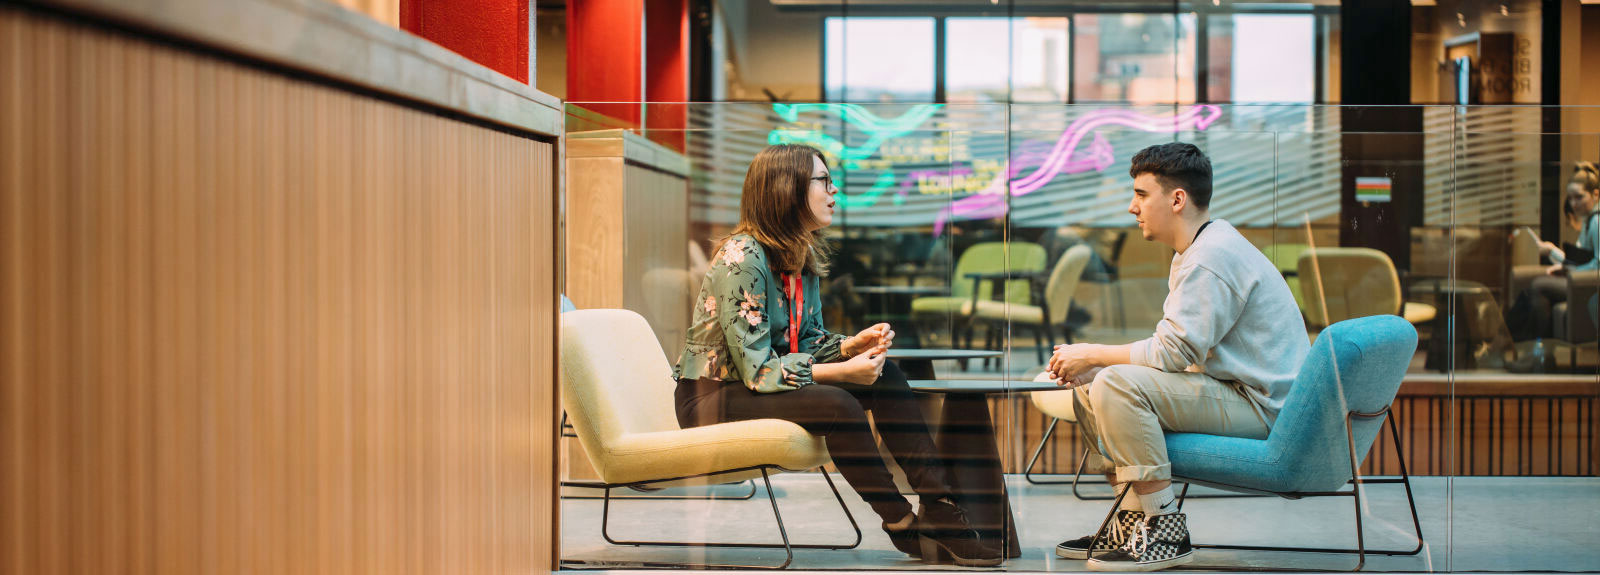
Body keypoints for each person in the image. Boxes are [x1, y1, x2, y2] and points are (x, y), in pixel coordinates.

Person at [671, 144, 1002, 566]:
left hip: (759, 387)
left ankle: (940, 507)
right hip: (711, 398)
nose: (834, 191)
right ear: (787, 188)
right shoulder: (741, 258)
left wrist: (848, 346)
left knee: (887, 376)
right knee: (840, 403)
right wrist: (842, 371)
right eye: (824, 181)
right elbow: (757, 370)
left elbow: (805, 340)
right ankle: (901, 522)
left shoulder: (796, 253)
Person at [1044, 143, 1309, 571]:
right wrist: (1096, 364)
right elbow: (1178, 351)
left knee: (1115, 382)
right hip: (1238, 392)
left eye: (1141, 194)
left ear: (1177, 199)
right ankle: (1129, 523)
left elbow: (1171, 352)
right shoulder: (1202, 248)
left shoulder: (1210, 257)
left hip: (1262, 407)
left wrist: (1094, 353)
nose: (1132, 207)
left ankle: (1167, 530)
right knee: (1097, 386)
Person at [1525, 162, 1600, 339]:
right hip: (1581, 280)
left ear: (1595, 195)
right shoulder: (1588, 221)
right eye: (1570, 198)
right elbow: (1580, 260)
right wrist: (1553, 252)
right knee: (1536, 293)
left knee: (1538, 286)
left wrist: (1571, 272)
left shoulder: (1597, 222)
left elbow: (1597, 264)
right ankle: (1539, 349)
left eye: (1579, 197)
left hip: (1588, 286)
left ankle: (1536, 348)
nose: (1573, 204)